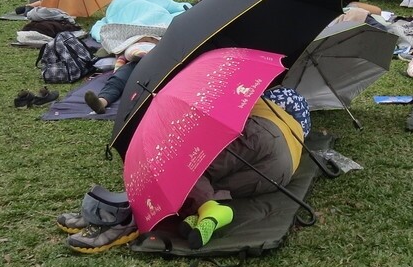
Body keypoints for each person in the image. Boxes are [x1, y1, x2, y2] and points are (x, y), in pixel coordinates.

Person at [63, 89, 311, 253]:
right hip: (281, 172)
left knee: (185, 167)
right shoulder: (297, 127)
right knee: (206, 181)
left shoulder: (261, 102)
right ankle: (202, 213)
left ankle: (128, 216)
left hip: (261, 134)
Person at [83, 37, 158, 115]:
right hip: (135, 64)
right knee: (117, 80)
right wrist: (117, 71)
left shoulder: (161, 44)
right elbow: (120, 61)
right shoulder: (130, 47)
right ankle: (101, 102)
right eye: (142, 39)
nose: (146, 40)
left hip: (157, 64)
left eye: (150, 39)